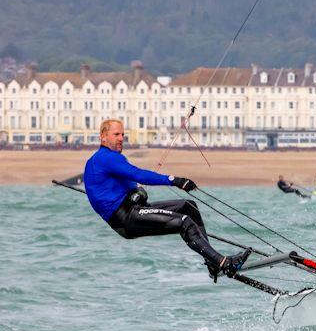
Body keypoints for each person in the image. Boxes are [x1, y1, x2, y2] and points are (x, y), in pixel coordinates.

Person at [84, 119, 250, 281]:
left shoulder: (105, 160)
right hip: (127, 218)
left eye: (123, 134)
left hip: (132, 212)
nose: (121, 138)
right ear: (103, 137)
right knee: (184, 222)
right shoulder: (104, 158)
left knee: (188, 206)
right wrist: (174, 180)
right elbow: (138, 174)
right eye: (116, 134)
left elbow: (123, 184)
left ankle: (213, 262)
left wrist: (137, 191)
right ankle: (224, 263)